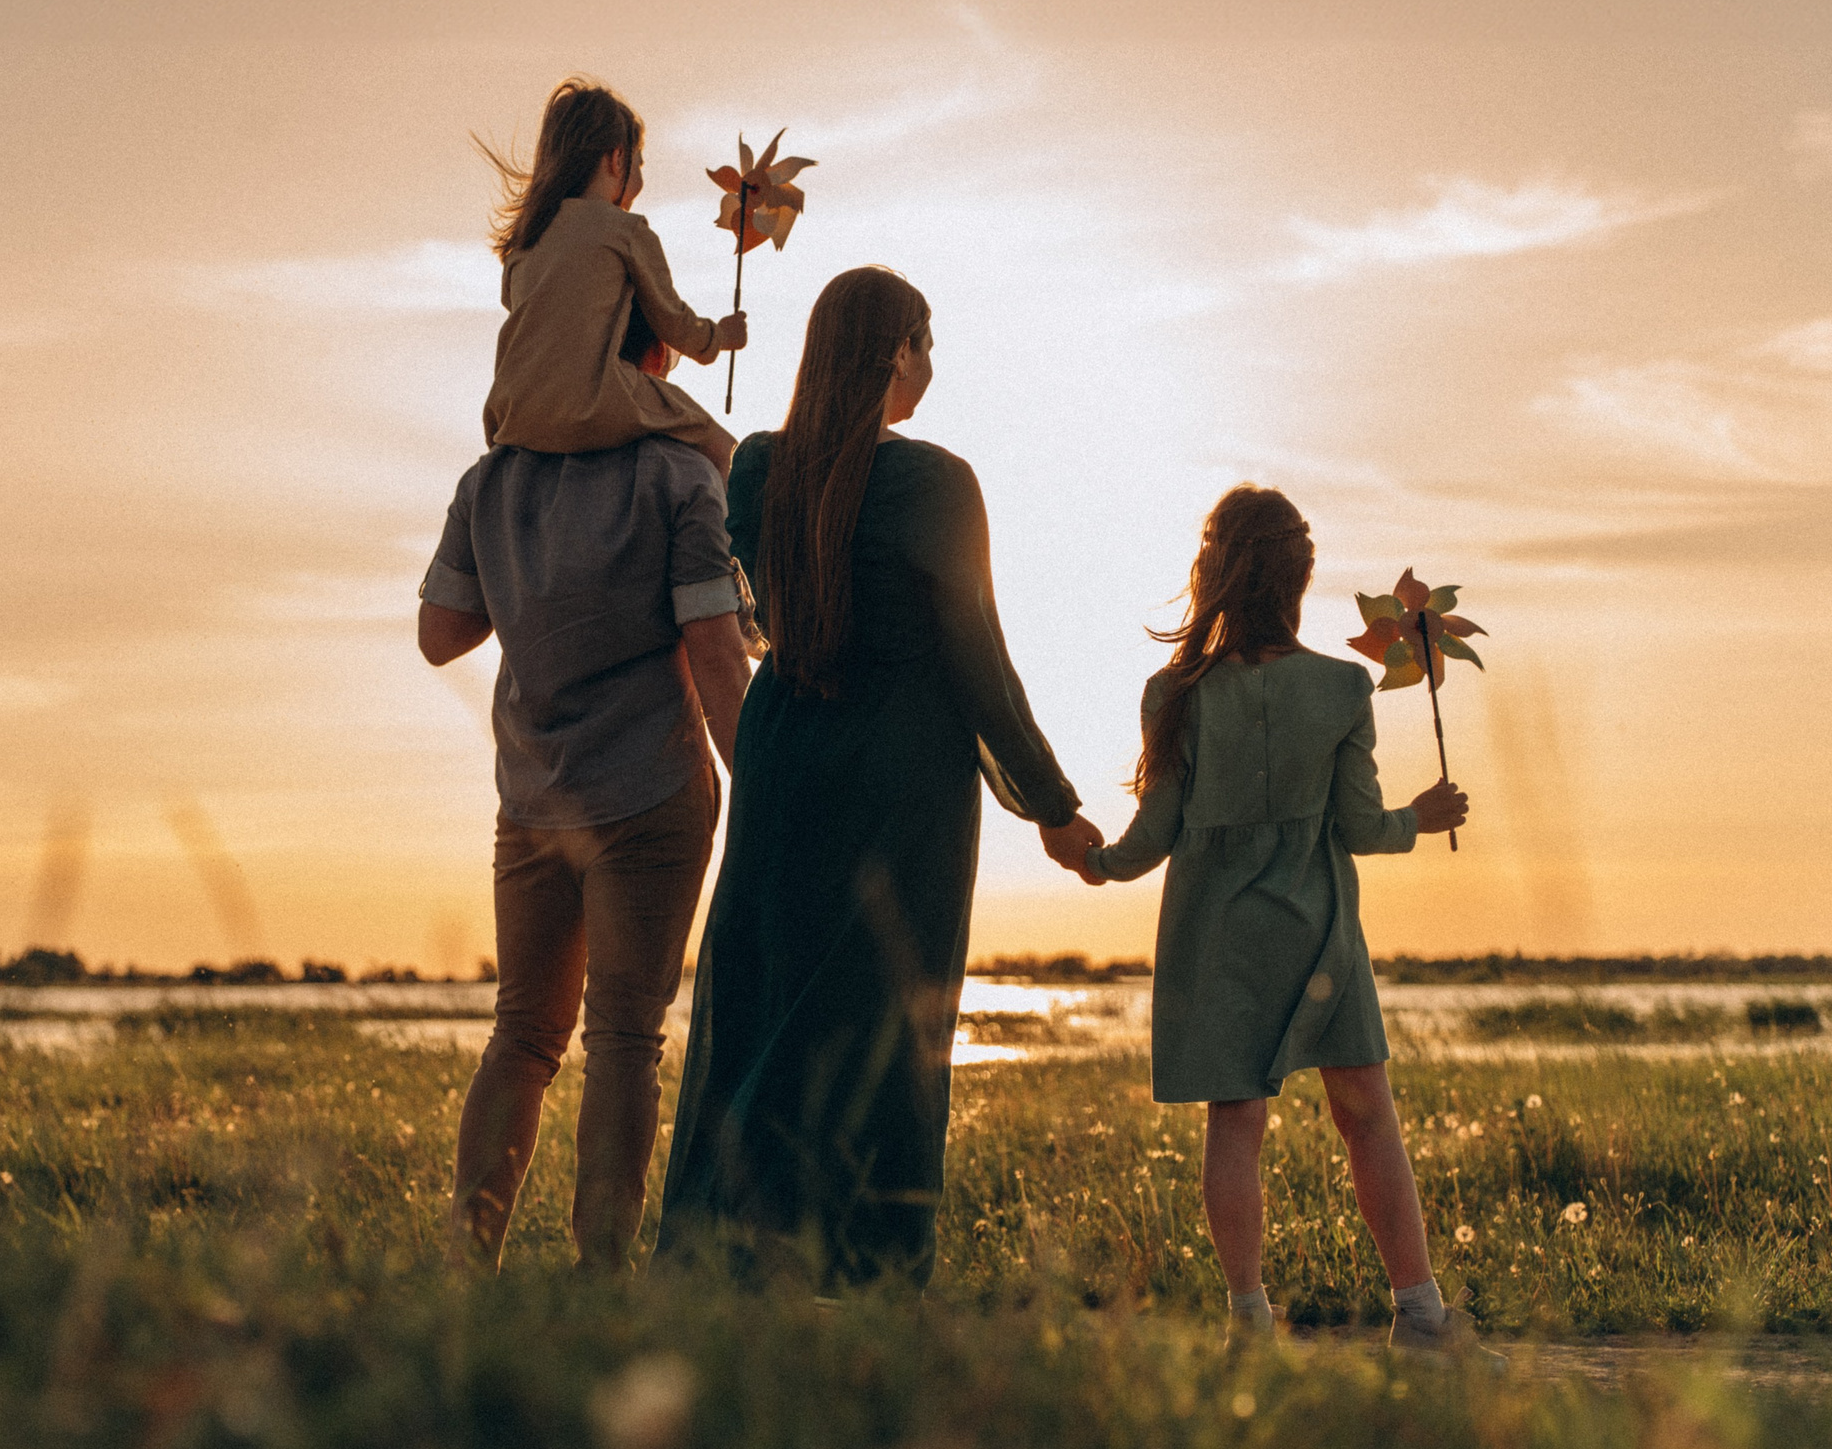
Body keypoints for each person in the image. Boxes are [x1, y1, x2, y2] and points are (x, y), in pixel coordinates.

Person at [655, 265, 1104, 1291]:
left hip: (783, 764)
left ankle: (729, 1262)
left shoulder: (758, 469)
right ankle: (868, 1271)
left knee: (768, 1008)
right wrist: (1051, 806)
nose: (931, 367)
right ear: (894, 350)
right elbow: (976, 657)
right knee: (888, 1019)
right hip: (899, 777)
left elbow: (764, 622)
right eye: (925, 344)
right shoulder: (937, 482)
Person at [1083, 484, 1481, 1354]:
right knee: (1367, 1112)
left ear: (1212, 574)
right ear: (1300, 578)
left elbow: (1152, 834)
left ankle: (1249, 1322)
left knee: (1237, 1123)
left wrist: (1095, 861)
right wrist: (1424, 815)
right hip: (1317, 935)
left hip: (1216, 938)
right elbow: (1361, 829)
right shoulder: (1343, 687)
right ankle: (1419, 1313)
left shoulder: (1172, 693)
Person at [417, 354, 757, 1272]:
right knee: (623, 1036)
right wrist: (766, 796)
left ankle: (466, 1265)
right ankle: (600, 1275)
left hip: (531, 796)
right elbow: (719, 655)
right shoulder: (681, 475)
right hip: (650, 792)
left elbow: (439, 634)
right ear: (650, 356)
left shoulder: (491, 481)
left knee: (521, 1033)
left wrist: (536, 583)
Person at [478, 76, 746, 475]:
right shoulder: (626, 230)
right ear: (617, 158)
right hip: (595, 400)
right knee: (724, 450)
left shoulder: (523, 242)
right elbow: (673, 322)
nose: (639, 174)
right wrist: (720, 337)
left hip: (515, 416)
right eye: (639, 162)